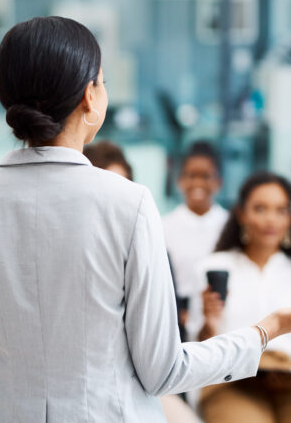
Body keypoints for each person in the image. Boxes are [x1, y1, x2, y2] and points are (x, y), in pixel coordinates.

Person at [0, 16, 291, 422]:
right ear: (88, 97)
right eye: (101, 80)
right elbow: (164, 370)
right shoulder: (130, 204)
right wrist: (266, 330)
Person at [188, 172, 291, 423]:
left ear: (290, 218)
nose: (270, 220)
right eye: (260, 209)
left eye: (280, 210)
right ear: (242, 214)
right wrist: (209, 324)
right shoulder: (213, 267)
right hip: (229, 381)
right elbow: (195, 348)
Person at [85, 140, 200, 423]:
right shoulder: (72, 254)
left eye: (124, 188)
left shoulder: (154, 251)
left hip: (148, 382)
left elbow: (168, 342)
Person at [163, 141, 228, 299]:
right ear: (180, 181)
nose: (198, 183)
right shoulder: (163, 226)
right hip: (178, 315)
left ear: (219, 182)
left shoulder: (230, 224)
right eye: (191, 176)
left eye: (206, 176)